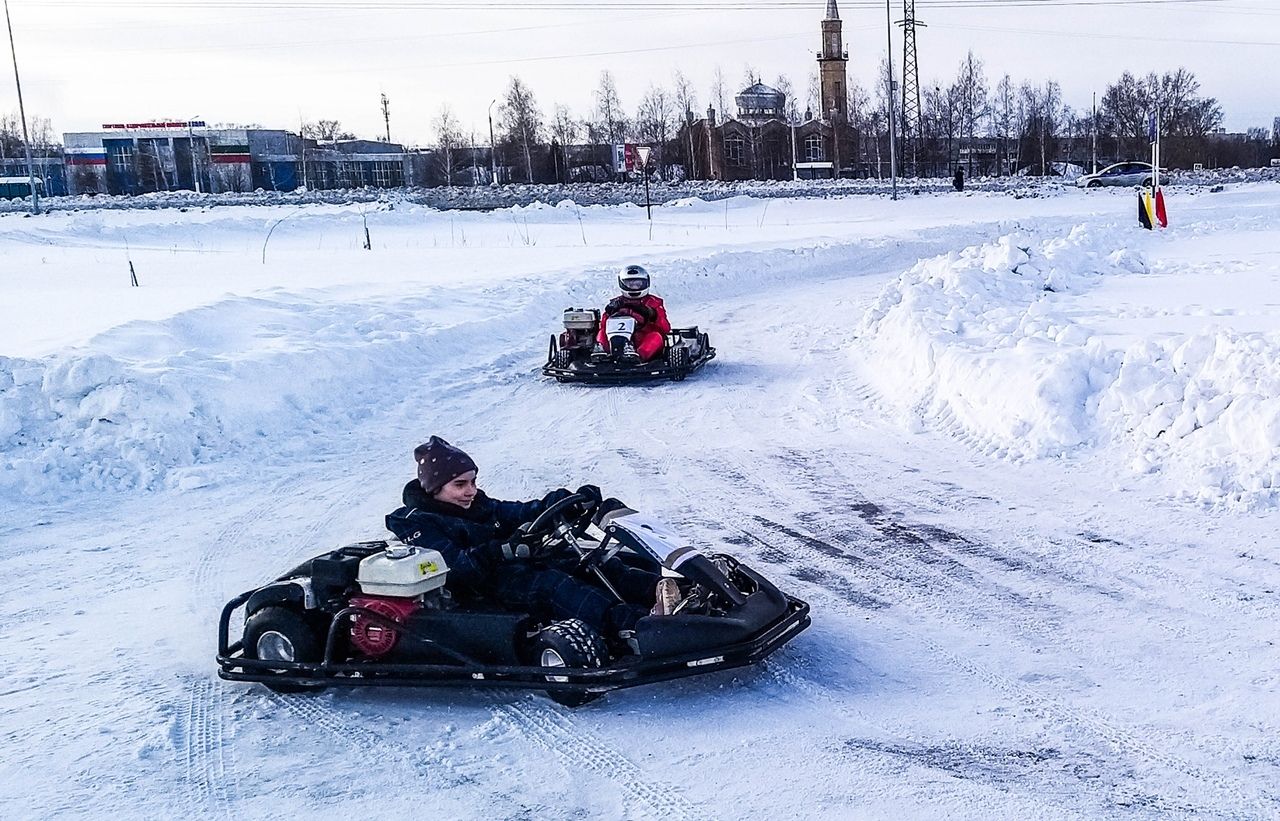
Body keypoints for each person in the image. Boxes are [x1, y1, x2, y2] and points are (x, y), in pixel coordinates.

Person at [384, 437, 677, 647]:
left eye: (473, 482)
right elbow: (455, 567)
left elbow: (520, 511)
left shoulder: (478, 505)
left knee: (588, 563)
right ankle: (637, 625)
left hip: (513, 566)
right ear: (434, 487)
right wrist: (500, 551)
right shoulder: (418, 521)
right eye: (460, 485)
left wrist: (563, 501)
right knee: (553, 585)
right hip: (478, 588)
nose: (470, 491)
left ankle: (670, 592)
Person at [591, 264, 671, 363]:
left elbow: (665, 328)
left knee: (656, 336)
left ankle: (637, 357)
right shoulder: (617, 302)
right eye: (630, 284)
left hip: (642, 338)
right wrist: (608, 312)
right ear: (622, 284)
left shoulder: (654, 302)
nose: (634, 287)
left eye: (638, 284)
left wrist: (652, 314)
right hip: (615, 338)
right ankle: (602, 353)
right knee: (601, 332)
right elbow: (603, 326)